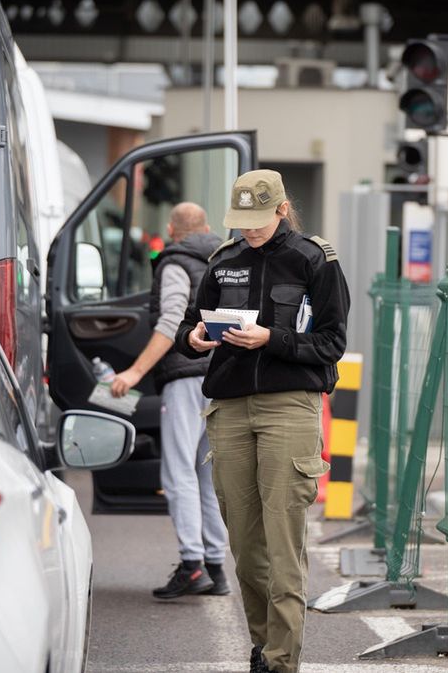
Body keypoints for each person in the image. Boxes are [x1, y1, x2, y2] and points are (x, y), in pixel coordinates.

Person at [173, 170, 349, 673]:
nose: (248, 230)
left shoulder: (314, 259)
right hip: (229, 408)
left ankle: (280, 661)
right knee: (247, 547)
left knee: (283, 543)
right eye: (241, 221)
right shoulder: (223, 261)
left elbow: (332, 342)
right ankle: (262, 645)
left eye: (258, 220)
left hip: (289, 405)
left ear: (281, 209)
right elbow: (189, 324)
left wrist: (271, 339)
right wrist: (195, 338)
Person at [109, 201, 230, 600]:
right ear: (207, 229)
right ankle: (216, 567)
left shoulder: (175, 262)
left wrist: (134, 372)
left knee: (178, 473)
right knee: (207, 476)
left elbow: (171, 320)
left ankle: (192, 564)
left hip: (186, 376)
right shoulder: (224, 259)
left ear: (172, 231)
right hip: (221, 377)